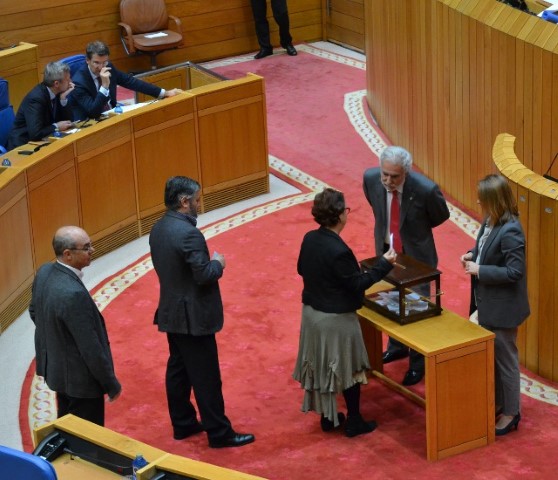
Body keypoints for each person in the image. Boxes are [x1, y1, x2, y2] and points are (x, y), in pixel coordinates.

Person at [149, 176, 255, 449]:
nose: (199, 204)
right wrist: (218, 263)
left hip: (171, 312)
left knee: (179, 371)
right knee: (206, 377)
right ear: (184, 202)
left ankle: (183, 423)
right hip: (193, 318)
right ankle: (219, 433)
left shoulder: (159, 227)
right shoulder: (188, 234)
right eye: (196, 200)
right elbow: (204, 275)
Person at [293, 188, 396, 437]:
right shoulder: (339, 251)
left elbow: (300, 269)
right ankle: (354, 420)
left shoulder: (309, 238)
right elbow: (357, 284)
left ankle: (328, 417)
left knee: (321, 368)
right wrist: (384, 264)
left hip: (311, 315)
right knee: (349, 369)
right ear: (340, 215)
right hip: (335, 319)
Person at [363, 146, 450, 386]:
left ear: (407, 173)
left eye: (394, 176)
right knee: (391, 300)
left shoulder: (425, 189)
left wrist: (414, 232)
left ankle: (417, 364)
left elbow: (440, 216)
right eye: (385, 174)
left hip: (418, 258)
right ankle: (396, 346)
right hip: (386, 253)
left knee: (418, 309)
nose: (388, 181)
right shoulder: (371, 179)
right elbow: (376, 206)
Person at [28, 226, 121, 426]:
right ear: (68, 254)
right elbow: (91, 348)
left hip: (58, 372)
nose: (92, 250)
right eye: (86, 247)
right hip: (82, 383)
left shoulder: (44, 272)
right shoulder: (73, 294)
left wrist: (58, 340)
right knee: (87, 442)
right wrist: (111, 384)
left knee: (67, 428)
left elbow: (35, 312)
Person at [460, 174, 529, 436]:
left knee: (507, 362)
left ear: (494, 200)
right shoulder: (490, 219)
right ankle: (499, 403)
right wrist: (471, 254)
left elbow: (515, 272)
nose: (477, 200)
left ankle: (512, 413)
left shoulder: (511, 229)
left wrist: (480, 269)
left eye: (482, 197)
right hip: (487, 303)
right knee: (495, 360)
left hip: (503, 310)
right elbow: (485, 247)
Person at [71, 41, 182, 120]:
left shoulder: (109, 67)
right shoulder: (78, 82)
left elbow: (131, 82)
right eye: (96, 63)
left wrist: (164, 93)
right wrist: (104, 86)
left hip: (113, 115)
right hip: (91, 123)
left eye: (104, 62)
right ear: (87, 61)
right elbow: (93, 112)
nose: (101, 67)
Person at [6, 62, 75, 150]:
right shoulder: (36, 99)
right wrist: (56, 126)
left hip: (43, 140)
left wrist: (63, 99)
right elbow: (35, 134)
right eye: (68, 79)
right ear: (56, 84)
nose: (71, 82)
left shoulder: (57, 92)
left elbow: (68, 121)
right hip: (23, 146)